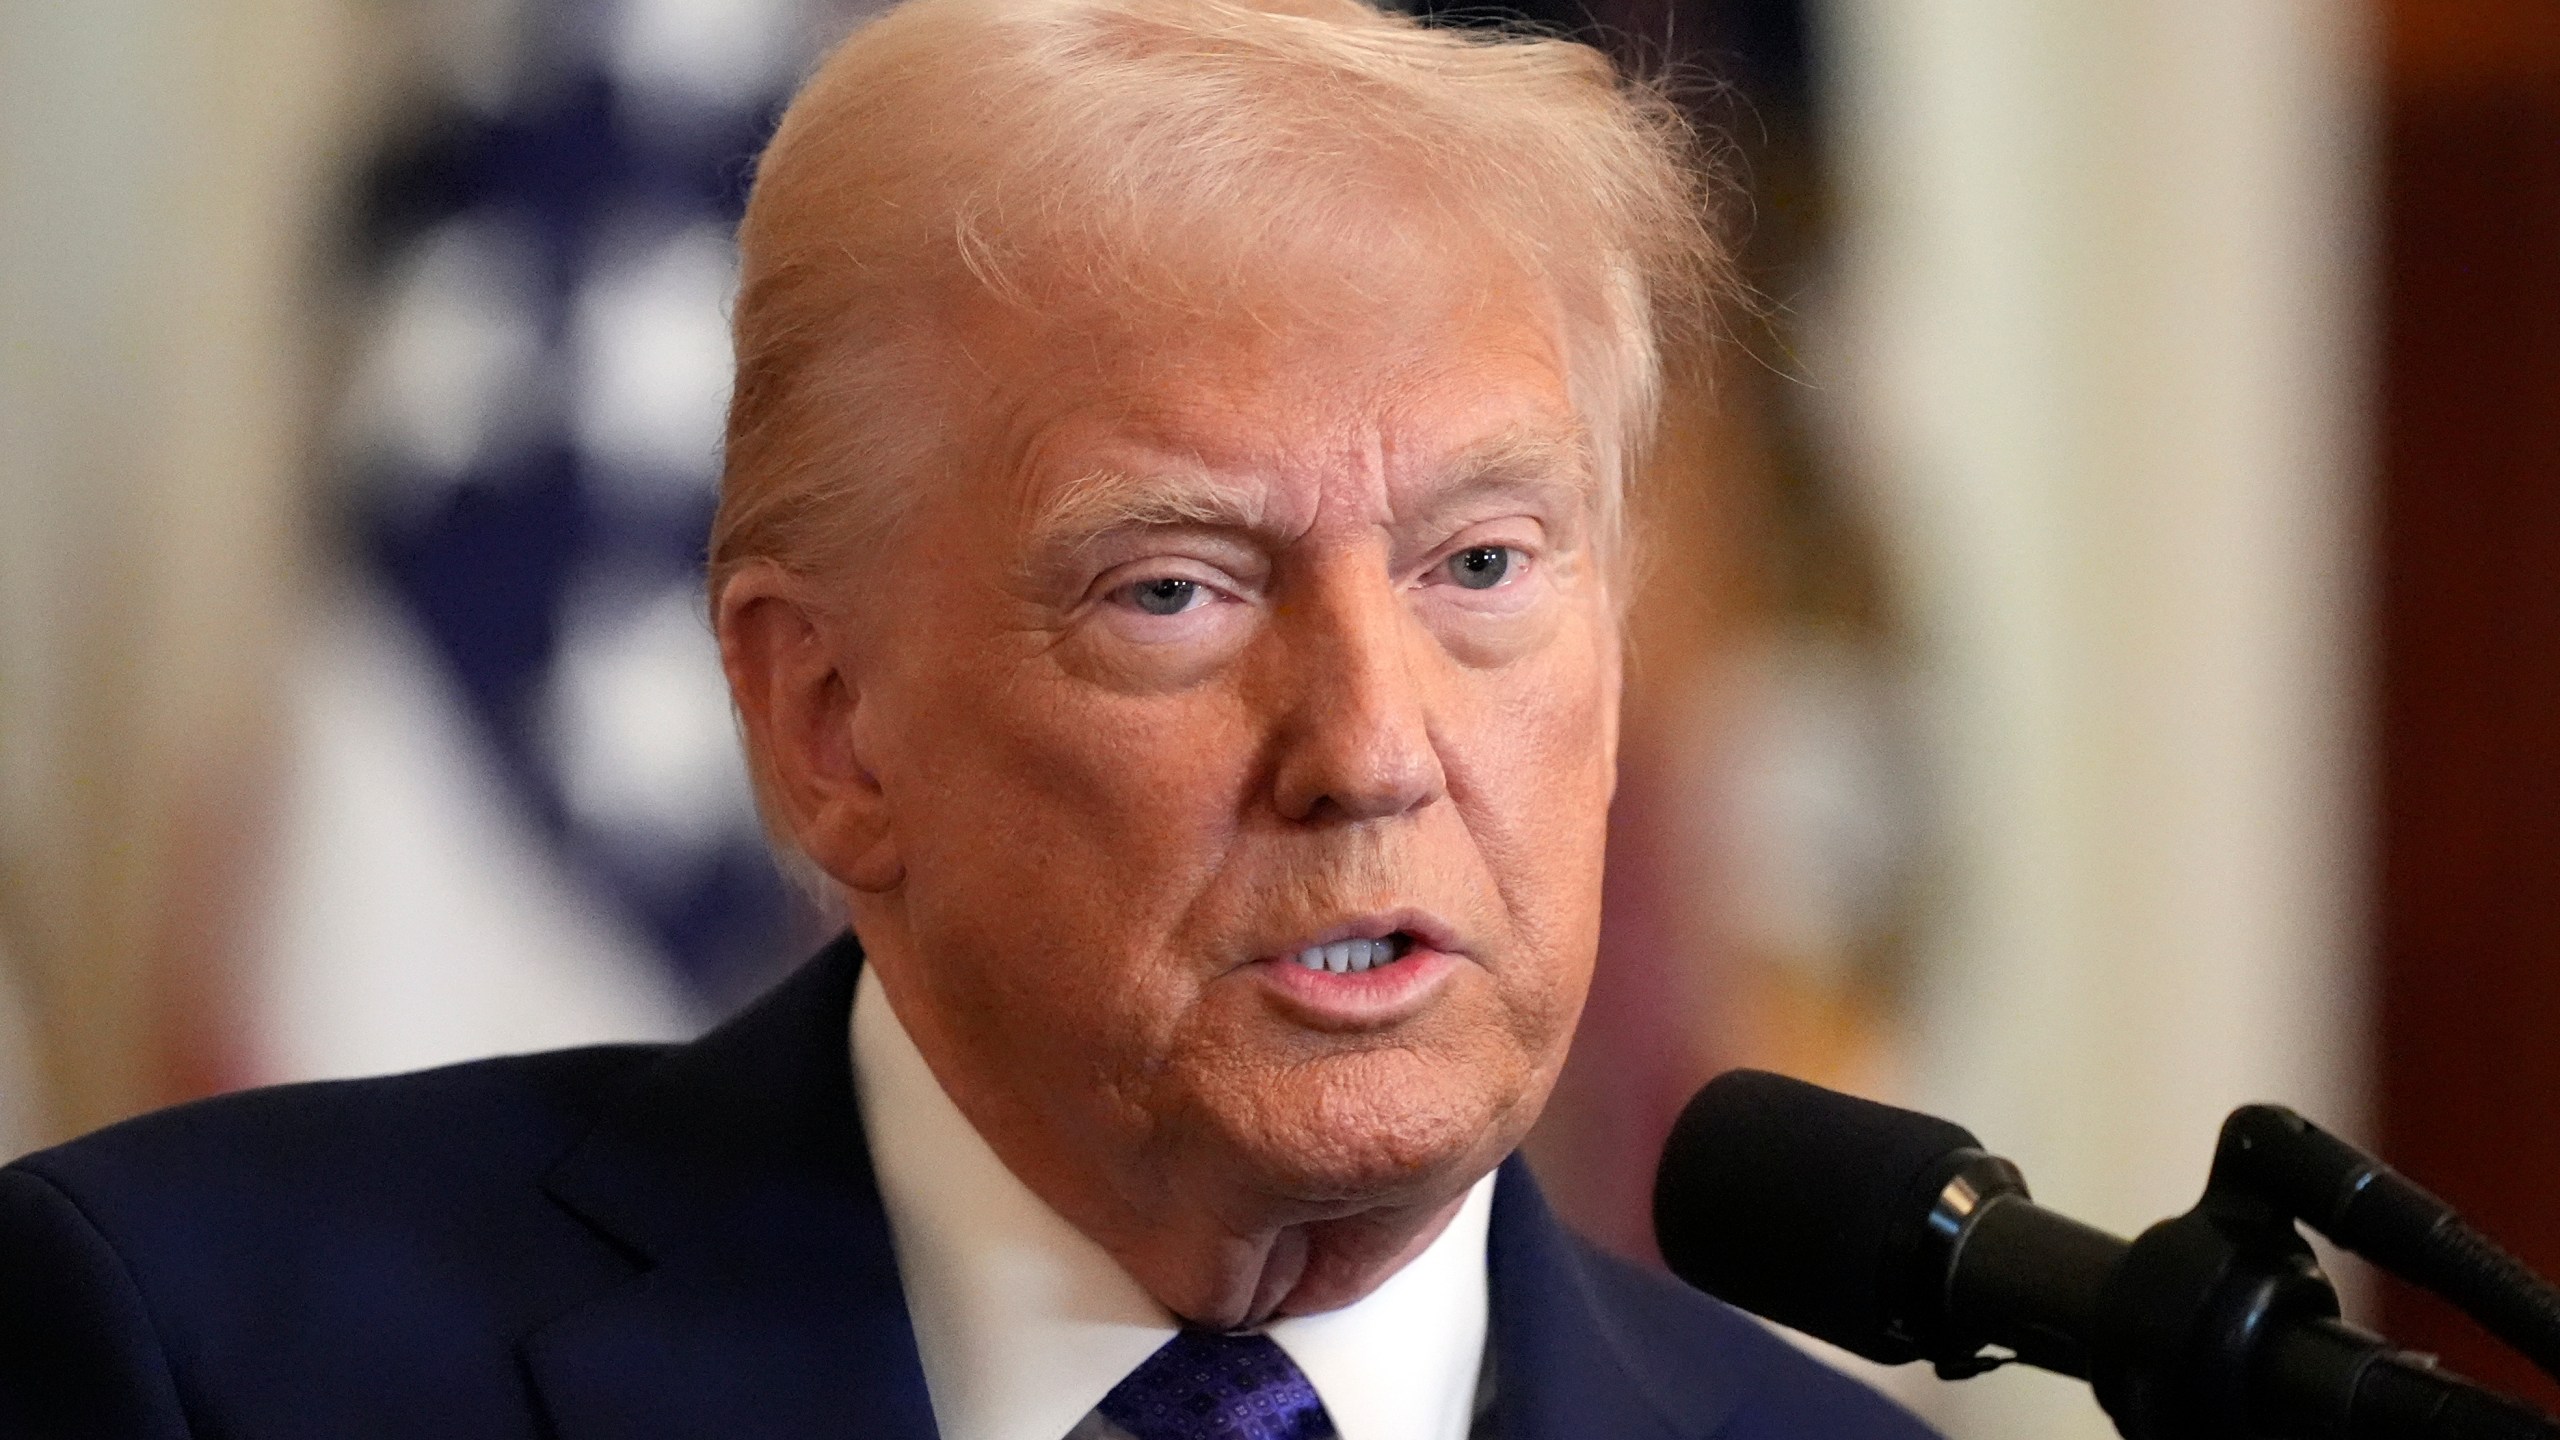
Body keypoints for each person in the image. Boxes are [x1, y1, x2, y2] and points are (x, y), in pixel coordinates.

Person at [0, 2, 1941, 1437]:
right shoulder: (203, 1359)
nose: (1368, 743)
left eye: (1482, 569)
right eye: (1175, 587)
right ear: (826, 723)